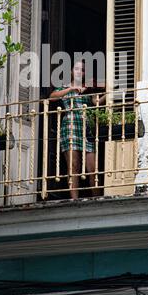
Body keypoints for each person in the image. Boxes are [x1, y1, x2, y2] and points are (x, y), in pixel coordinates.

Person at [50, 61, 106, 199]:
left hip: (86, 128)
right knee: (73, 165)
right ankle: (74, 200)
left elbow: (96, 102)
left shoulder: (87, 88)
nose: (79, 71)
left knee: (92, 168)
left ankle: (96, 199)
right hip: (70, 127)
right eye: (76, 69)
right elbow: (52, 97)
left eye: (82, 70)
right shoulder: (65, 87)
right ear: (71, 72)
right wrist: (71, 89)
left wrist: (108, 93)